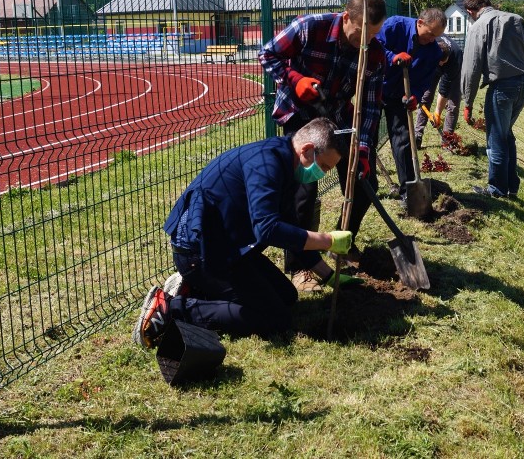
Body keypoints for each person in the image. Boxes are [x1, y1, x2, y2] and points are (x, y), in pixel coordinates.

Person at [132, 118, 361, 349]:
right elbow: (267, 228)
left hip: (229, 248)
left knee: (287, 296)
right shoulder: (266, 164)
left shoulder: (286, 162)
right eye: (324, 166)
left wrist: (327, 275)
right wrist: (328, 240)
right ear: (307, 150)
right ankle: (172, 310)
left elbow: (289, 223)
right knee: (275, 317)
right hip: (199, 252)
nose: (322, 173)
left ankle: (199, 291)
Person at [258, 0, 387, 289]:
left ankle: (343, 240)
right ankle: (299, 266)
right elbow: (268, 53)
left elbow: (369, 108)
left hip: (338, 119)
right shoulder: (309, 28)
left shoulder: (375, 54)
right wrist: (295, 79)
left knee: (363, 183)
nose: (364, 43)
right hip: (300, 117)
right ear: (346, 18)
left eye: (372, 35)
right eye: (359, 34)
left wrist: (363, 150)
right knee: (302, 192)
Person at [460, 0, 524, 199]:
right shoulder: (515, 20)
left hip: (501, 88)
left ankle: (497, 190)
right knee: (506, 135)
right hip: (523, 84)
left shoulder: (478, 27)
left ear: (470, 11)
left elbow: (471, 68)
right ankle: (512, 187)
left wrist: (468, 102)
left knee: (496, 139)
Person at [375, 8, 446, 206]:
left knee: (403, 140)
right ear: (420, 22)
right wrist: (392, 56)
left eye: (437, 36)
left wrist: (414, 95)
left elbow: (425, 80)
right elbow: (373, 45)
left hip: (400, 95)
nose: (432, 39)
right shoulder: (395, 26)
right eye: (431, 34)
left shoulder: (434, 51)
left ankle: (408, 189)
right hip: (375, 86)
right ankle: (367, 185)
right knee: (367, 138)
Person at [413, 35, 463, 143]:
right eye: (440, 62)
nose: (441, 64)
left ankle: (447, 139)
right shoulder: (429, 45)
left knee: (453, 103)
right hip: (432, 67)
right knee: (425, 97)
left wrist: (437, 113)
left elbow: (444, 89)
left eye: (443, 62)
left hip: (453, 71)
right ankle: (417, 134)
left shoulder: (456, 56)